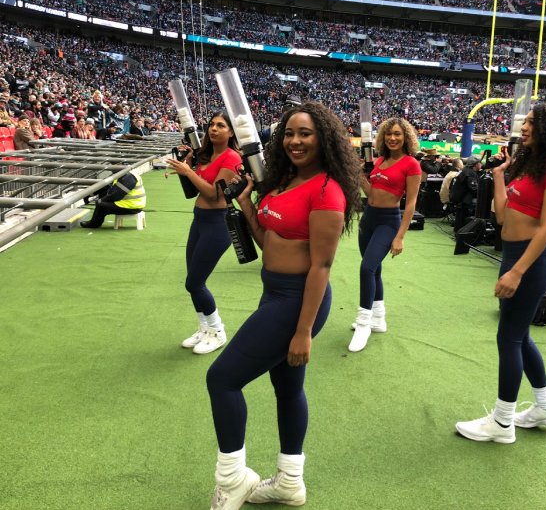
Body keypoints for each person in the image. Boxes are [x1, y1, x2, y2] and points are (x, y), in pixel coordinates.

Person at [204, 101, 361, 509]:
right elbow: (268, 241)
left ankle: (232, 478)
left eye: (305, 134)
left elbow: (321, 266)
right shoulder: (281, 183)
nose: (294, 141)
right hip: (273, 292)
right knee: (288, 388)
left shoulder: (327, 190)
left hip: (296, 301)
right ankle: (290, 482)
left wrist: (304, 331)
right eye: (289, 133)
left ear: (323, 139)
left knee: (222, 379)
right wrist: (247, 203)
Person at [455, 103, 546, 444]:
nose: (524, 127)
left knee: (508, 337)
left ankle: (502, 422)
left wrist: (517, 272)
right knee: (519, 335)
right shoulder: (529, 166)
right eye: (524, 122)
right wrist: (498, 177)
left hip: (531, 262)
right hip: (514, 256)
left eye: (532, 123)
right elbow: (500, 216)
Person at [165, 111, 243, 355]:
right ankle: (204, 328)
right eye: (211, 124)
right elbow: (195, 189)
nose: (214, 129)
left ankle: (217, 331)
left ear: (231, 132)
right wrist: (187, 165)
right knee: (194, 281)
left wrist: (189, 172)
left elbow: (214, 194)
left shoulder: (231, 157)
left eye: (221, 125)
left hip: (217, 224)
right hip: (199, 220)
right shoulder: (205, 155)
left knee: (194, 282)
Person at [348, 116, 422, 352]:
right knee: (373, 269)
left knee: (366, 268)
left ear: (406, 137)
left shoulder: (411, 164)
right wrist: (360, 175)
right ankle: (378, 318)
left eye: (398, 134)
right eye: (389, 134)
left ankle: (363, 323)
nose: (393, 138)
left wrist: (400, 236)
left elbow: (410, 204)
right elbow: (370, 194)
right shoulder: (379, 160)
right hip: (368, 219)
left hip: (388, 222)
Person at [79, 172, 146, 228]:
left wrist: (102, 200)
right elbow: (105, 185)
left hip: (132, 207)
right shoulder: (122, 173)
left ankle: (94, 224)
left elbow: (115, 196)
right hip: (127, 203)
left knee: (101, 205)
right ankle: (96, 219)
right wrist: (89, 194)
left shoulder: (129, 178)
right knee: (104, 194)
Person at [450, 155, 482, 232]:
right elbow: (474, 188)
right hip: (464, 200)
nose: (481, 165)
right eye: (480, 163)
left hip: (460, 198)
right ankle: (465, 232)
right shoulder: (470, 173)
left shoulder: (466, 170)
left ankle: (459, 231)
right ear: (476, 164)